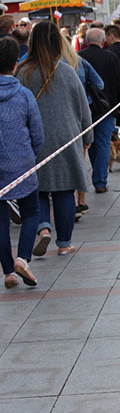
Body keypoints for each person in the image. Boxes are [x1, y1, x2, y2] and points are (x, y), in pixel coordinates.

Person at [16, 21, 93, 256]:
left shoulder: (22, 71)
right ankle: (64, 243)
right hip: (65, 139)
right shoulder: (67, 71)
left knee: (37, 190)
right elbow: (83, 109)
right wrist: (87, 136)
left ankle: (43, 229)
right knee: (64, 191)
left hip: (32, 140)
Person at [0, 36, 44, 288]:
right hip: (22, 163)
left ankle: (8, 271)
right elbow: (37, 134)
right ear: (15, 64)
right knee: (31, 211)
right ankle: (23, 258)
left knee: (0, 220)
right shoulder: (24, 95)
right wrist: (30, 153)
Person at [60, 35, 104, 219]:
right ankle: (81, 201)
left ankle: (69, 201)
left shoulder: (51, 65)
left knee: (63, 161)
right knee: (80, 159)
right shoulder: (80, 62)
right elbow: (100, 84)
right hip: (81, 113)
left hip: (59, 116)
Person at [79, 28, 120, 193]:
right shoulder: (110, 57)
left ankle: (96, 175)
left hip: (85, 107)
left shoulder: (79, 57)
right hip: (107, 107)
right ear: (102, 40)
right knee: (103, 142)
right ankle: (100, 180)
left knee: (89, 142)